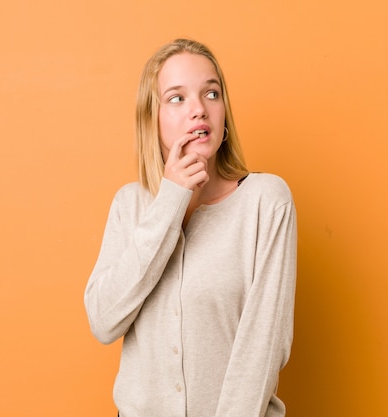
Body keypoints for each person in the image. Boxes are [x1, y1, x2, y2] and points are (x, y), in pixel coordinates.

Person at [84, 38, 297, 417]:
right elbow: (104, 320)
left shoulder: (266, 201)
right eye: (177, 98)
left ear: (224, 114)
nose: (199, 109)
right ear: (153, 118)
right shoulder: (130, 205)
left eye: (211, 93)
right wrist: (171, 201)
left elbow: (261, 348)